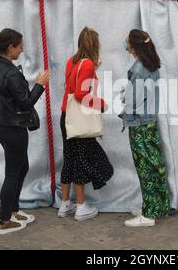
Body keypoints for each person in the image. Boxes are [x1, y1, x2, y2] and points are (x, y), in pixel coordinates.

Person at [0, 28, 51, 234]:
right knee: (13, 173)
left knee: (21, 168)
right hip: (13, 129)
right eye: (20, 46)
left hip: (2, 127)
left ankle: (13, 211)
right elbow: (26, 102)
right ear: (10, 47)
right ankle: (4, 221)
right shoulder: (10, 72)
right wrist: (40, 85)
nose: (22, 50)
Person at [58, 27, 113, 221]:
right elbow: (81, 94)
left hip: (66, 117)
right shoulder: (87, 64)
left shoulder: (71, 62)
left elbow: (73, 87)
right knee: (82, 161)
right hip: (80, 119)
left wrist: (93, 71)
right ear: (94, 44)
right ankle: (81, 207)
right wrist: (101, 104)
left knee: (70, 159)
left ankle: (65, 204)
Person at [119, 29, 170, 227]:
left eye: (127, 41)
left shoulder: (140, 69)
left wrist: (124, 97)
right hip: (149, 121)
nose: (124, 44)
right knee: (155, 165)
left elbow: (134, 100)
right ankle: (157, 206)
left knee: (145, 168)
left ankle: (148, 215)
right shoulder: (151, 65)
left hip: (140, 124)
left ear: (133, 46)